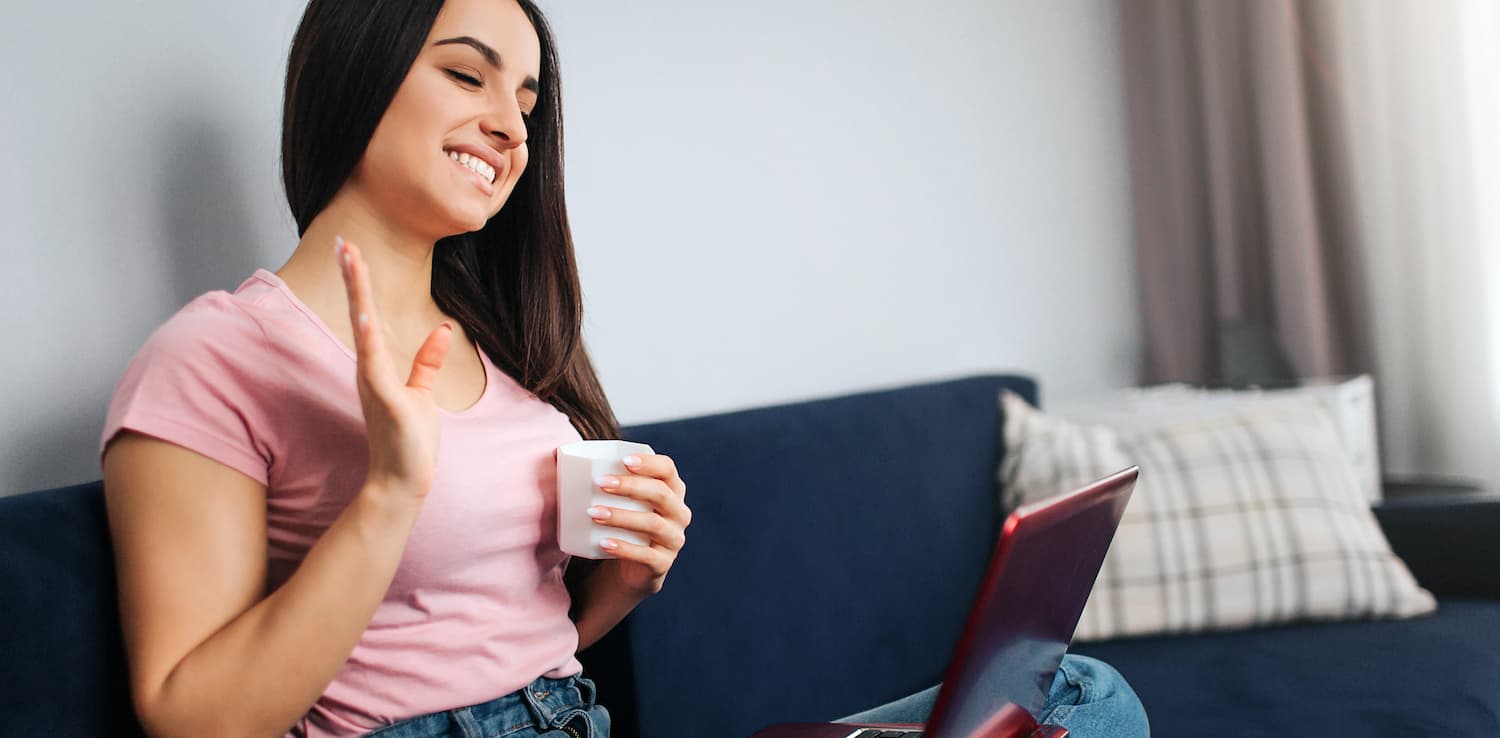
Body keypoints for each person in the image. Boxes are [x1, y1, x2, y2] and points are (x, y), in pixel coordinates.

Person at [98, 0, 1148, 736]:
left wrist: (624, 585)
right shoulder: (216, 355)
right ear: (356, 72)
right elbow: (194, 717)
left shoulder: (503, 344)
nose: (509, 123)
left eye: (527, 98)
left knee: (1074, 701)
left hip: (571, 718)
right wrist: (388, 494)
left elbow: (514, 639)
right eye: (466, 73)